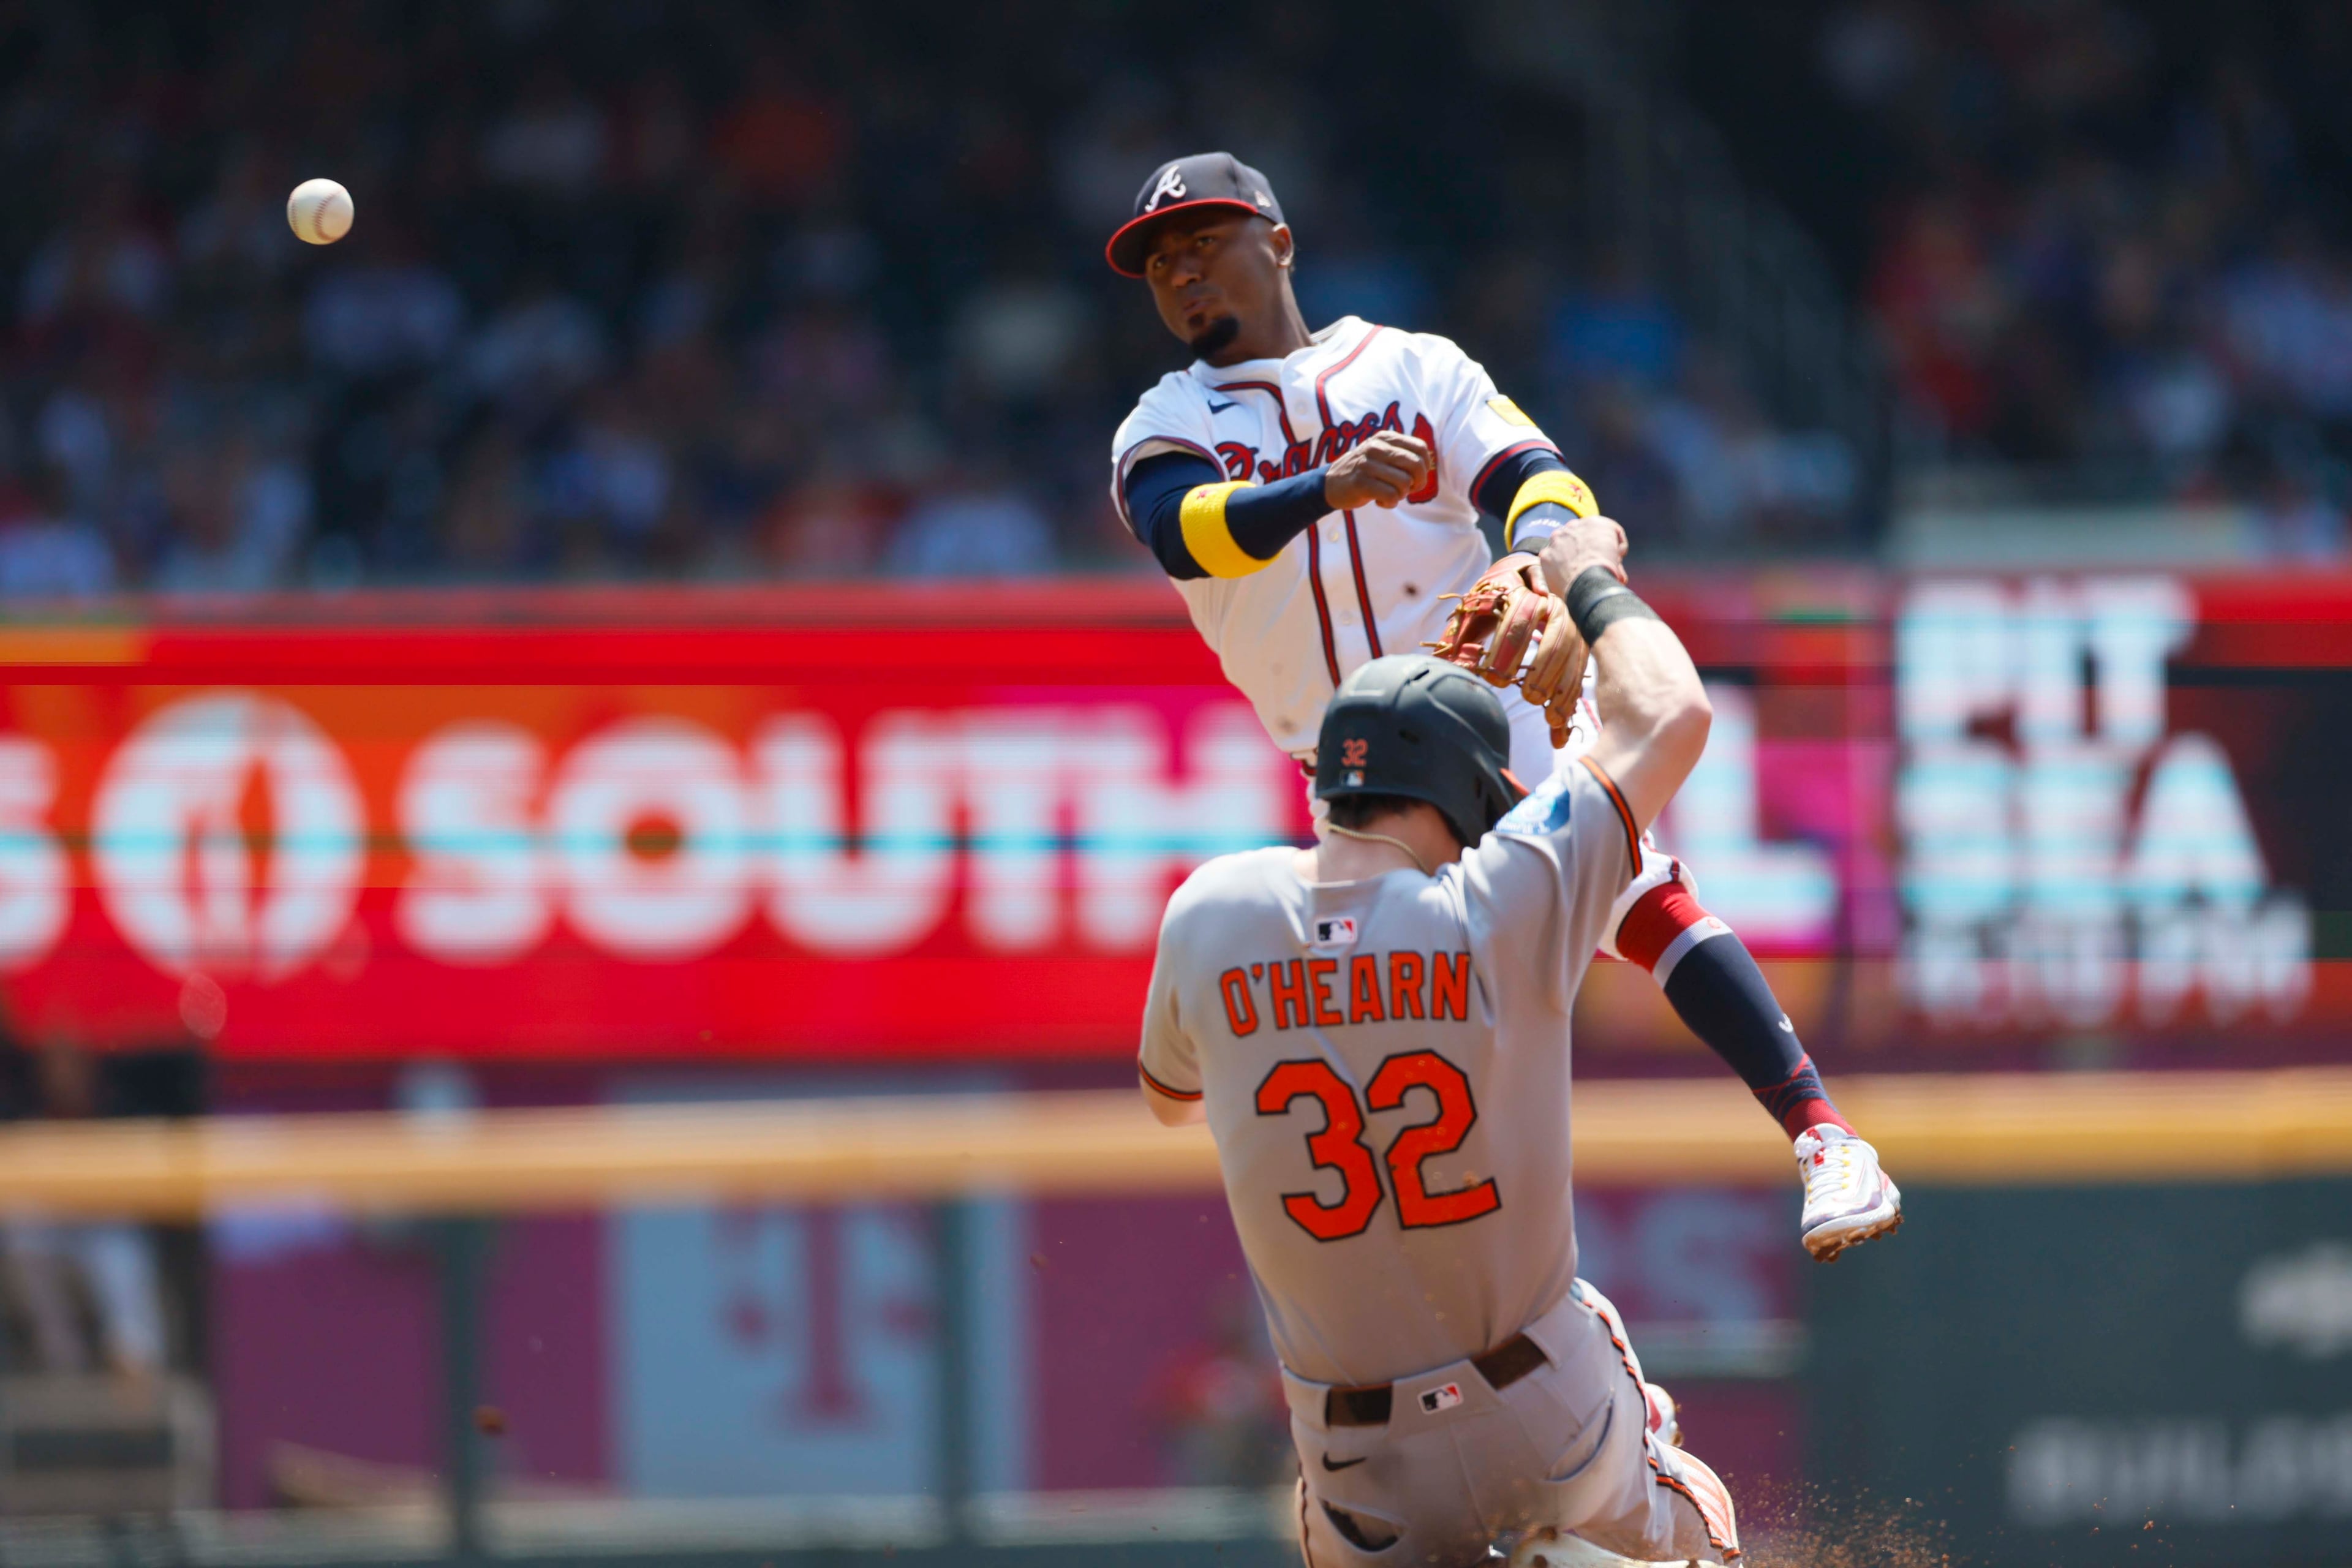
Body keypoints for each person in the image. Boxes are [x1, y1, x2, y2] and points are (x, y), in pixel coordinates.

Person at [1106, 153, 1898, 1261]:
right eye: (1161, 265)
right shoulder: (1162, 422)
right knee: (1372, 1015)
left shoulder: (1412, 367)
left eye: (1204, 244)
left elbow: (1541, 478)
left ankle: (1824, 1136)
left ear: (1278, 244)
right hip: (1346, 775)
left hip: (1490, 702)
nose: (1183, 275)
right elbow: (1186, 526)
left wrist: (1542, 560)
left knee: (1638, 888)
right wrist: (1324, 485)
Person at [1137, 522, 1737, 1563]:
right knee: (1691, 1519)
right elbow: (1670, 710)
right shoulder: (1506, 892)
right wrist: (1585, 577)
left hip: (1355, 1462)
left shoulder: (1209, 909)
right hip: (1548, 1414)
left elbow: (1170, 1100)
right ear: (1469, 794)